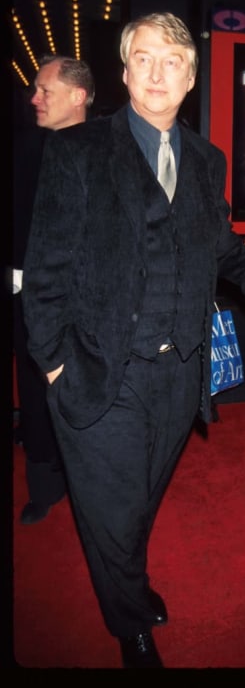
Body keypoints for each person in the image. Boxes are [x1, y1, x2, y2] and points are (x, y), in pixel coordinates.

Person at [22, 12, 245, 669]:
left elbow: (224, 248)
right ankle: (130, 627)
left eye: (171, 61)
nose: (155, 72)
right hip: (100, 370)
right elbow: (46, 272)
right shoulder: (79, 150)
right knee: (114, 513)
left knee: (139, 499)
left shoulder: (207, 161)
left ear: (191, 79)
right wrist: (55, 365)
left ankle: (126, 578)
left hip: (179, 376)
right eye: (142, 59)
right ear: (123, 72)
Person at [13, 54, 95, 525]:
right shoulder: (26, 149)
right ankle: (44, 485)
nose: (34, 98)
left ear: (78, 97)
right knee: (35, 387)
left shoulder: (107, 148)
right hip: (31, 298)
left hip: (88, 300)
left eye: (45, 90)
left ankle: (84, 479)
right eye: (35, 90)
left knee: (84, 392)